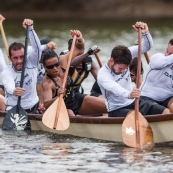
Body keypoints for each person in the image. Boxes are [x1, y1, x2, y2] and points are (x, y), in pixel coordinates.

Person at [97, 21, 170, 117]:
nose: (123, 71)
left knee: (166, 112)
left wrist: (145, 33)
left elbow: (146, 47)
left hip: (134, 102)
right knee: (136, 116)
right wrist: (129, 94)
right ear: (111, 60)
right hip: (117, 109)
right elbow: (115, 88)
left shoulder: (127, 53)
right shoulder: (103, 75)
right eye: (120, 68)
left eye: (125, 69)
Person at [42, 30, 107, 116]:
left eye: (56, 64)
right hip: (62, 107)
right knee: (70, 113)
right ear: (45, 68)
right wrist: (58, 97)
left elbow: (79, 48)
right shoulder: (48, 82)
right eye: (50, 67)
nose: (55, 69)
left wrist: (80, 39)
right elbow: (46, 104)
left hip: (77, 99)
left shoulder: (63, 62)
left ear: (59, 61)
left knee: (111, 106)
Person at [1, 18, 43, 114]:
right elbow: (8, 85)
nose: (19, 61)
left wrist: (31, 30)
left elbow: (38, 49)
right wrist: (14, 90)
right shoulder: (7, 72)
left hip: (34, 107)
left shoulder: (32, 62)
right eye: (15, 58)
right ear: (10, 58)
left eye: (21, 57)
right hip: (14, 109)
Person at [140, 38, 173, 113]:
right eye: (167, 51)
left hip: (167, 99)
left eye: (171, 54)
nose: (167, 55)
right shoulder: (157, 58)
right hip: (146, 99)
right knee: (167, 113)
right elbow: (162, 63)